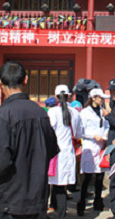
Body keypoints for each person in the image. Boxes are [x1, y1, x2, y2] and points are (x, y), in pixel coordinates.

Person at [0, 61, 59, 219]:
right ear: (25, 80)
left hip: (10, 200)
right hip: (37, 198)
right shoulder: (40, 113)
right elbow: (52, 149)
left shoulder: (2, 115)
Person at [48, 85, 83, 219]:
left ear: (56, 97)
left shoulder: (53, 112)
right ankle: (57, 208)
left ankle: (60, 213)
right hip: (68, 152)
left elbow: (49, 131)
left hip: (55, 152)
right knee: (61, 184)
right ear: (69, 96)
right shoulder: (75, 112)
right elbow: (79, 133)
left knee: (57, 184)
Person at [77, 88, 110, 216]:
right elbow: (81, 130)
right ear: (93, 98)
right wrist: (93, 136)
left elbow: (106, 126)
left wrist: (105, 135)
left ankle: (98, 202)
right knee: (87, 177)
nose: (102, 100)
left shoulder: (103, 112)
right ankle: (82, 204)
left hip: (101, 146)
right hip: (90, 146)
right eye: (100, 97)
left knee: (100, 177)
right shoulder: (85, 113)